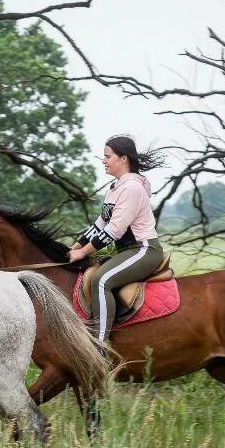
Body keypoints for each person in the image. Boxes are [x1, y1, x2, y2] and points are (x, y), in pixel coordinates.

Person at [68, 134, 166, 346]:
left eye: (108, 156)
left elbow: (114, 231)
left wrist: (83, 252)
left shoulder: (132, 188)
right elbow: (99, 225)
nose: (104, 160)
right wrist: (74, 246)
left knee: (101, 280)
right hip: (127, 251)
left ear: (123, 159)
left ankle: (98, 346)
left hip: (144, 250)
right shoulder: (115, 188)